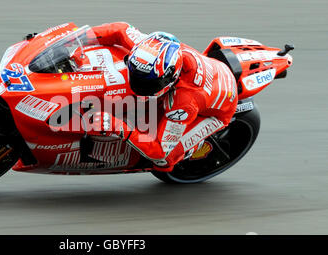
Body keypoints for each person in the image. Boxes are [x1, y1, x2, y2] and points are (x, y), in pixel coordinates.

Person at [85, 22, 238, 172]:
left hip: (218, 110)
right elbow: (120, 29)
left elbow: (159, 151)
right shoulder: (150, 48)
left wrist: (118, 126)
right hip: (210, 73)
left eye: (148, 83)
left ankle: (191, 149)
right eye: (136, 76)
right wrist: (81, 38)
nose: (139, 85)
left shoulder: (184, 103)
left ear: (170, 77)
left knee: (165, 160)